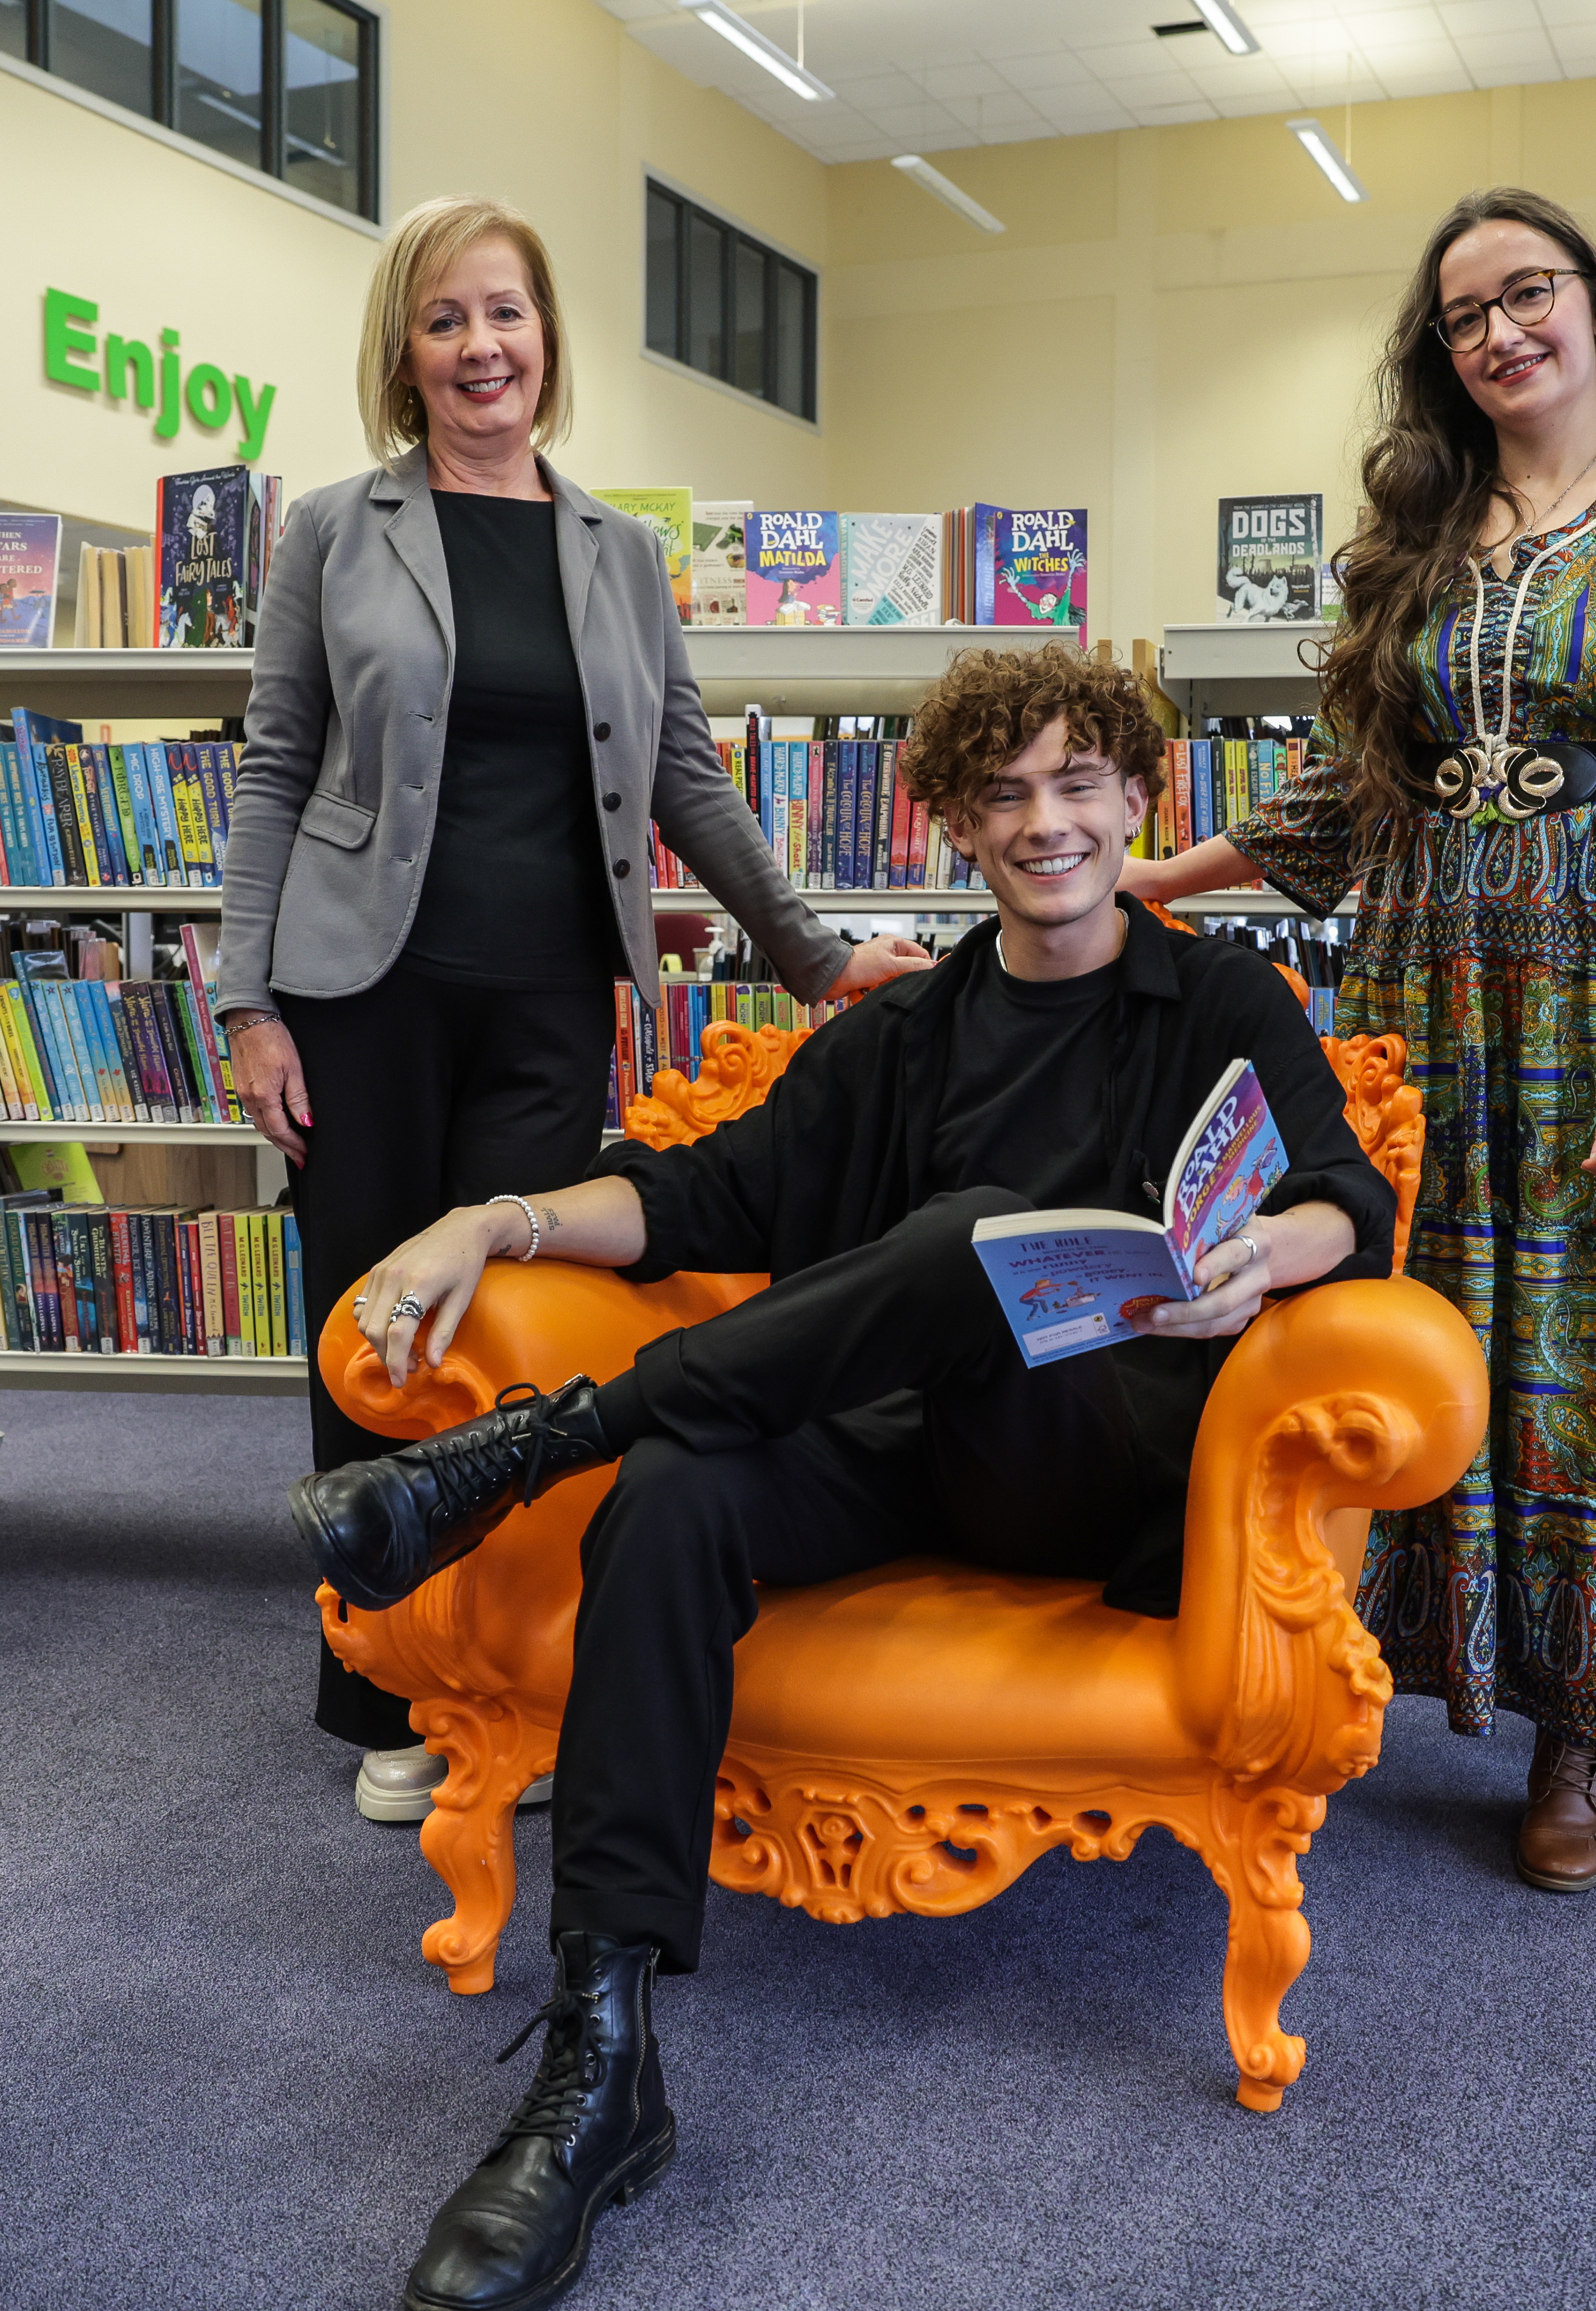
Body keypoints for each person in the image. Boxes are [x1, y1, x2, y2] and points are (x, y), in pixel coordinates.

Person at [288, 643, 1396, 2311]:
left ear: (1135, 800)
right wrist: (487, 1220)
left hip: (1096, 1472)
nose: (1047, 823)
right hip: (904, 1454)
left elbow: (1342, 1200)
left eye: (1078, 785)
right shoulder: (911, 1031)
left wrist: (1265, 1251)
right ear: (955, 824)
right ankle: (600, 2071)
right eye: (1005, 794)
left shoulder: (1219, 997)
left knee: (967, 1240)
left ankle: (524, 1453)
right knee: (674, 1493)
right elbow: (691, 1198)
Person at [217, 194, 927, 1821]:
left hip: (546, 1000)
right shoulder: (334, 526)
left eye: (507, 315)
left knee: (521, 1330)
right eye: (446, 320)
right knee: (371, 1333)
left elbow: (686, 777)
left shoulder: (618, 551)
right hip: (358, 995)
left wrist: (818, 957)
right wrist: (249, 1001)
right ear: (405, 353)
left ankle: (507, 1669)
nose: (483, 347)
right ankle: (384, 1684)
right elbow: (272, 773)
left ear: (548, 340)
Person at [1122, 187, 1596, 1893]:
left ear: (1590, 301)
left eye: (1526, 293)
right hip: (1430, 986)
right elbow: (1351, 801)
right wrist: (1143, 882)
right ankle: (1380, 1671)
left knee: (1590, 1354)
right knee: (1420, 1331)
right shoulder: (1420, 530)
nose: (1498, 333)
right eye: (1463, 317)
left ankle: (1585, 1731)